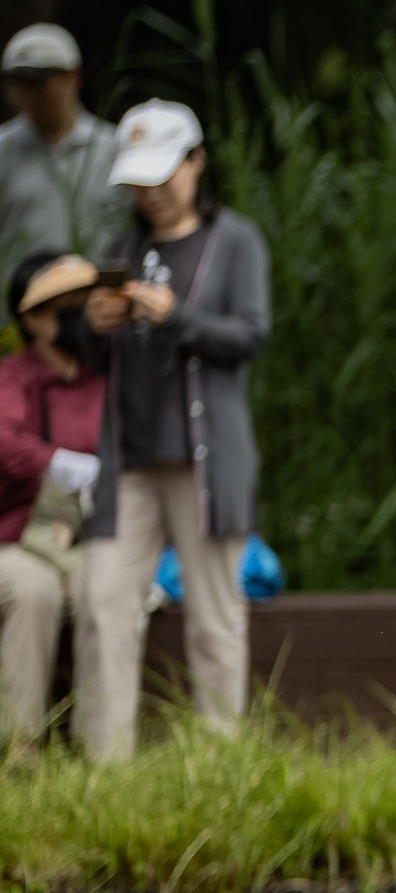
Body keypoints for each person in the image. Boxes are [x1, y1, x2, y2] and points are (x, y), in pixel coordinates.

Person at [78, 101, 270, 758]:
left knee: (216, 617)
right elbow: (86, 353)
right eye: (138, 181)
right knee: (104, 606)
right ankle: (105, 772)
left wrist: (176, 315)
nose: (151, 194)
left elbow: (249, 335)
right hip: (127, 461)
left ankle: (220, 765)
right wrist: (93, 325)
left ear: (196, 162)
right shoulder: (119, 248)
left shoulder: (235, 240)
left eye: (164, 176)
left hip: (205, 461)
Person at [0, 253, 102, 743]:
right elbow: (4, 440)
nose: (80, 316)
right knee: (34, 591)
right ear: (32, 319)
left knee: (103, 591)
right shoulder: (12, 377)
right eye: (67, 308)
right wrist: (61, 462)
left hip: (88, 540)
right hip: (15, 543)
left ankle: (101, 748)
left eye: (85, 304)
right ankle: (19, 751)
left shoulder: (103, 378)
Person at [0, 25, 122, 271]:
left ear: (73, 77)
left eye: (38, 83)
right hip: (18, 303)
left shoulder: (114, 148)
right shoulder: (3, 149)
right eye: (19, 84)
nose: (28, 96)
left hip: (97, 302)